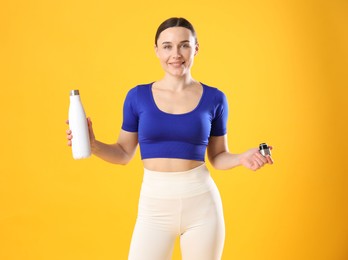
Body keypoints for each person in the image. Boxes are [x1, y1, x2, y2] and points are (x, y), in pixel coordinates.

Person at [66, 17, 273, 260]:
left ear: (195, 48)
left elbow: (217, 157)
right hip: (154, 208)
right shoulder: (137, 96)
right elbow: (123, 153)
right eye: (167, 46)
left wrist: (242, 158)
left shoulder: (216, 99)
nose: (176, 54)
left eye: (184, 45)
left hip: (202, 207)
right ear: (156, 50)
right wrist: (92, 145)